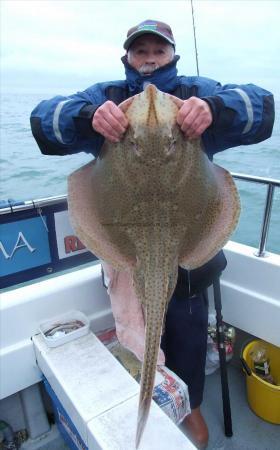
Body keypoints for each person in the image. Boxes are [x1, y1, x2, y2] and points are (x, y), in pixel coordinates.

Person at [30, 19, 275, 449]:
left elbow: (262, 107)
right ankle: (144, 391)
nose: (148, 59)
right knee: (135, 330)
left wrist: (215, 109)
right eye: (139, 51)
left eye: (157, 51)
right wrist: (87, 118)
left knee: (187, 334)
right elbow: (43, 123)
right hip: (125, 246)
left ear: (172, 56)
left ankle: (190, 405)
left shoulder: (196, 93)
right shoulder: (104, 98)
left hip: (187, 247)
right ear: (126, 58)